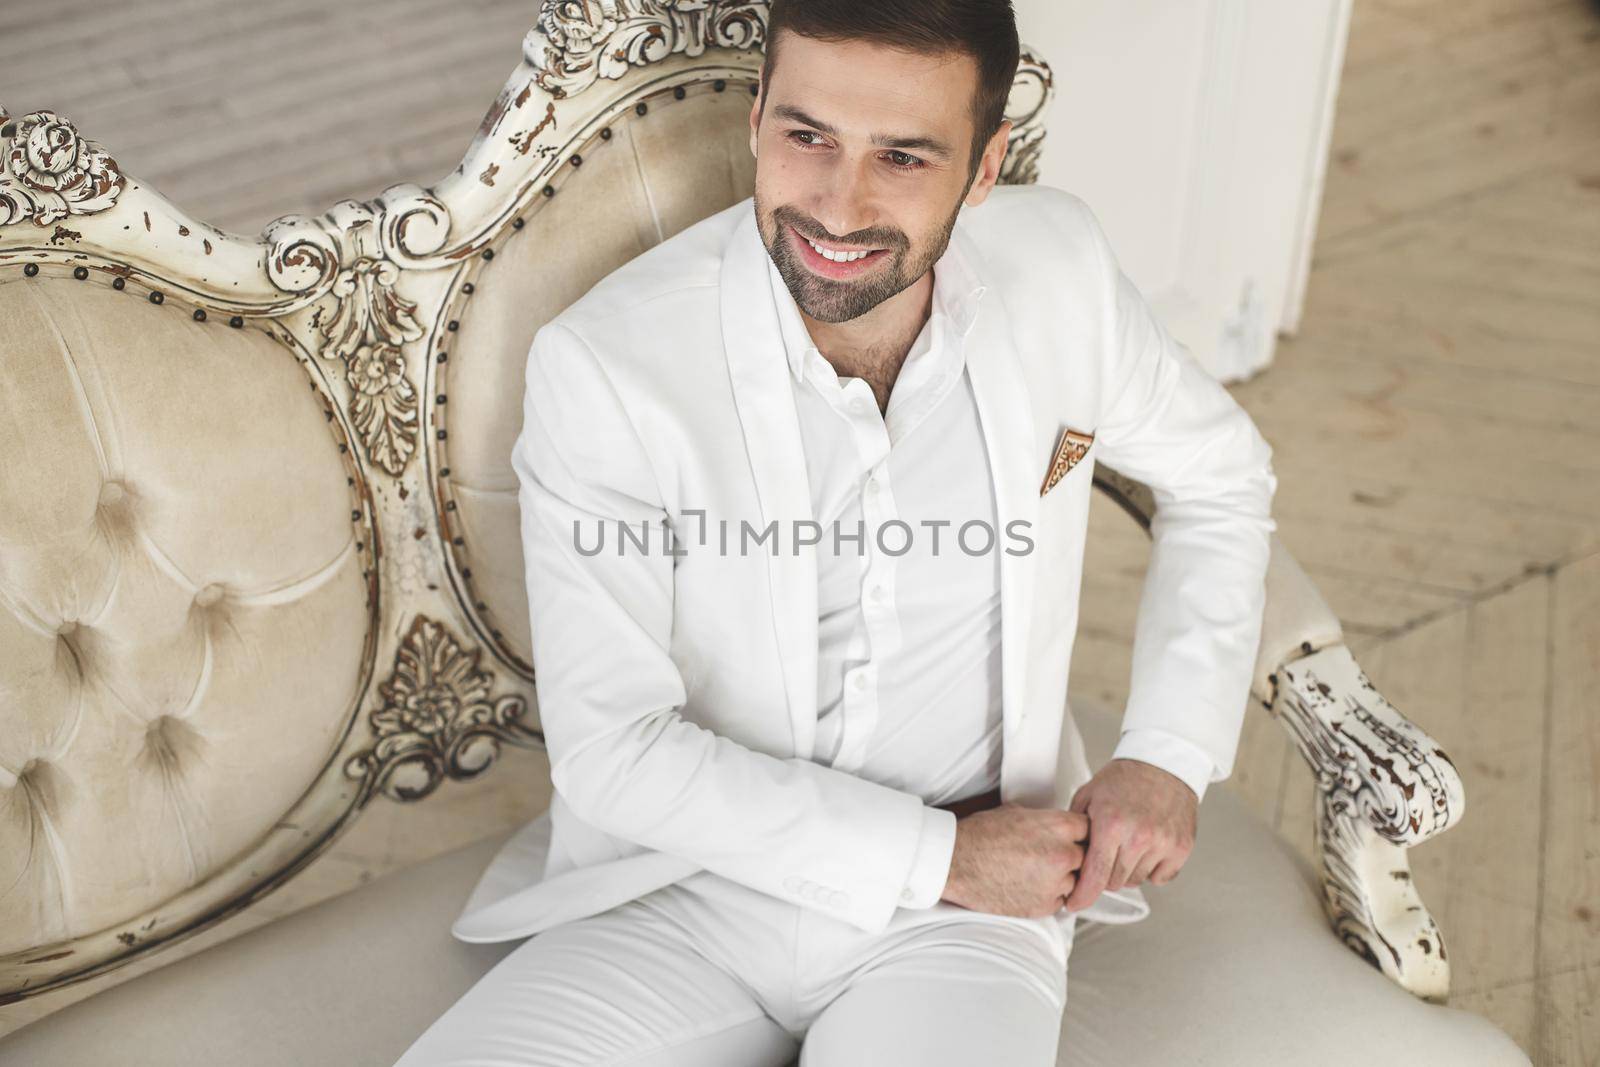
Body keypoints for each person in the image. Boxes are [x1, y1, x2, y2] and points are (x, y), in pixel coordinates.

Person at [395, 0, 1277, 1063]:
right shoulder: (611, 367)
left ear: (987, 166)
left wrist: (1167, 751)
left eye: (902, 157)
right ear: (758, 114)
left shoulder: (1061, 278)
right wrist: (938, 854)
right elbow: (615, 754)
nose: (836, 204)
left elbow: (1221, 477)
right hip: (684, 889)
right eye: (807, 136)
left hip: (973, 913)